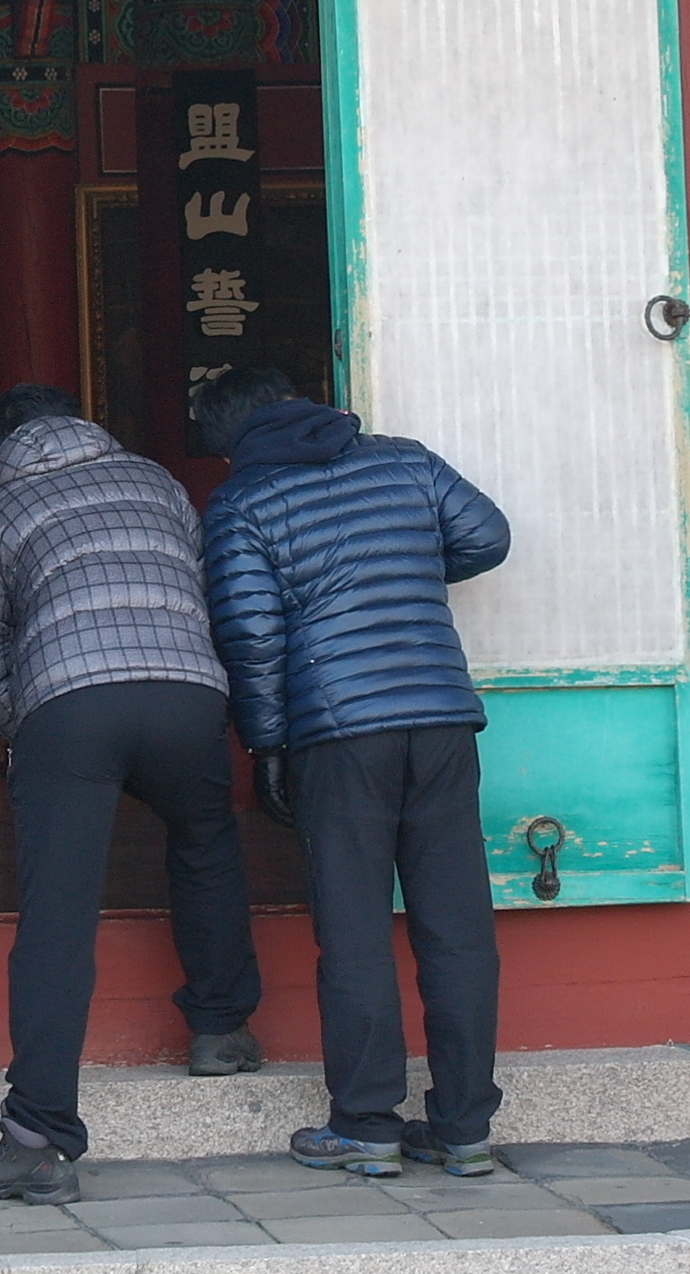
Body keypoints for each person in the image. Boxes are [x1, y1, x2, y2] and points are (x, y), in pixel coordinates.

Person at [195, 365, 513, 1182]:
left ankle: (367, 1123)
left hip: (338, 735)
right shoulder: (404, 460)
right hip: (441, 716)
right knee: (457, 926)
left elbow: (252, 637)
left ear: (230, 439)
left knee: (355, 931)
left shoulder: (243, 502)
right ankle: (464, 1127)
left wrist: (267, 747)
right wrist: (403, 575)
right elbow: (487, 536)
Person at [0, 384, 261, 1206]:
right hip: (188, 692)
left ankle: (36, 1137)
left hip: (71, 705)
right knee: (205, 837)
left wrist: (32, 722)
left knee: (58, 911)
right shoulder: (157, 482)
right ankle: (221, 1028)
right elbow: (211, 587)